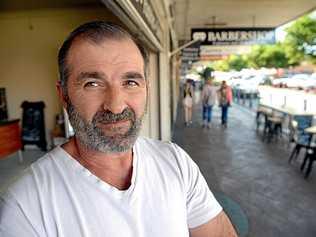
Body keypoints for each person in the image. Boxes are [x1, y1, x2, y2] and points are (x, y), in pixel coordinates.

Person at [0, 21, 237, 237]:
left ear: (146, 88)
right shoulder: (25, 206)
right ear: (64, 95)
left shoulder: (176, 162)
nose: (115, 106)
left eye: (130, 82)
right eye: (92, 84)